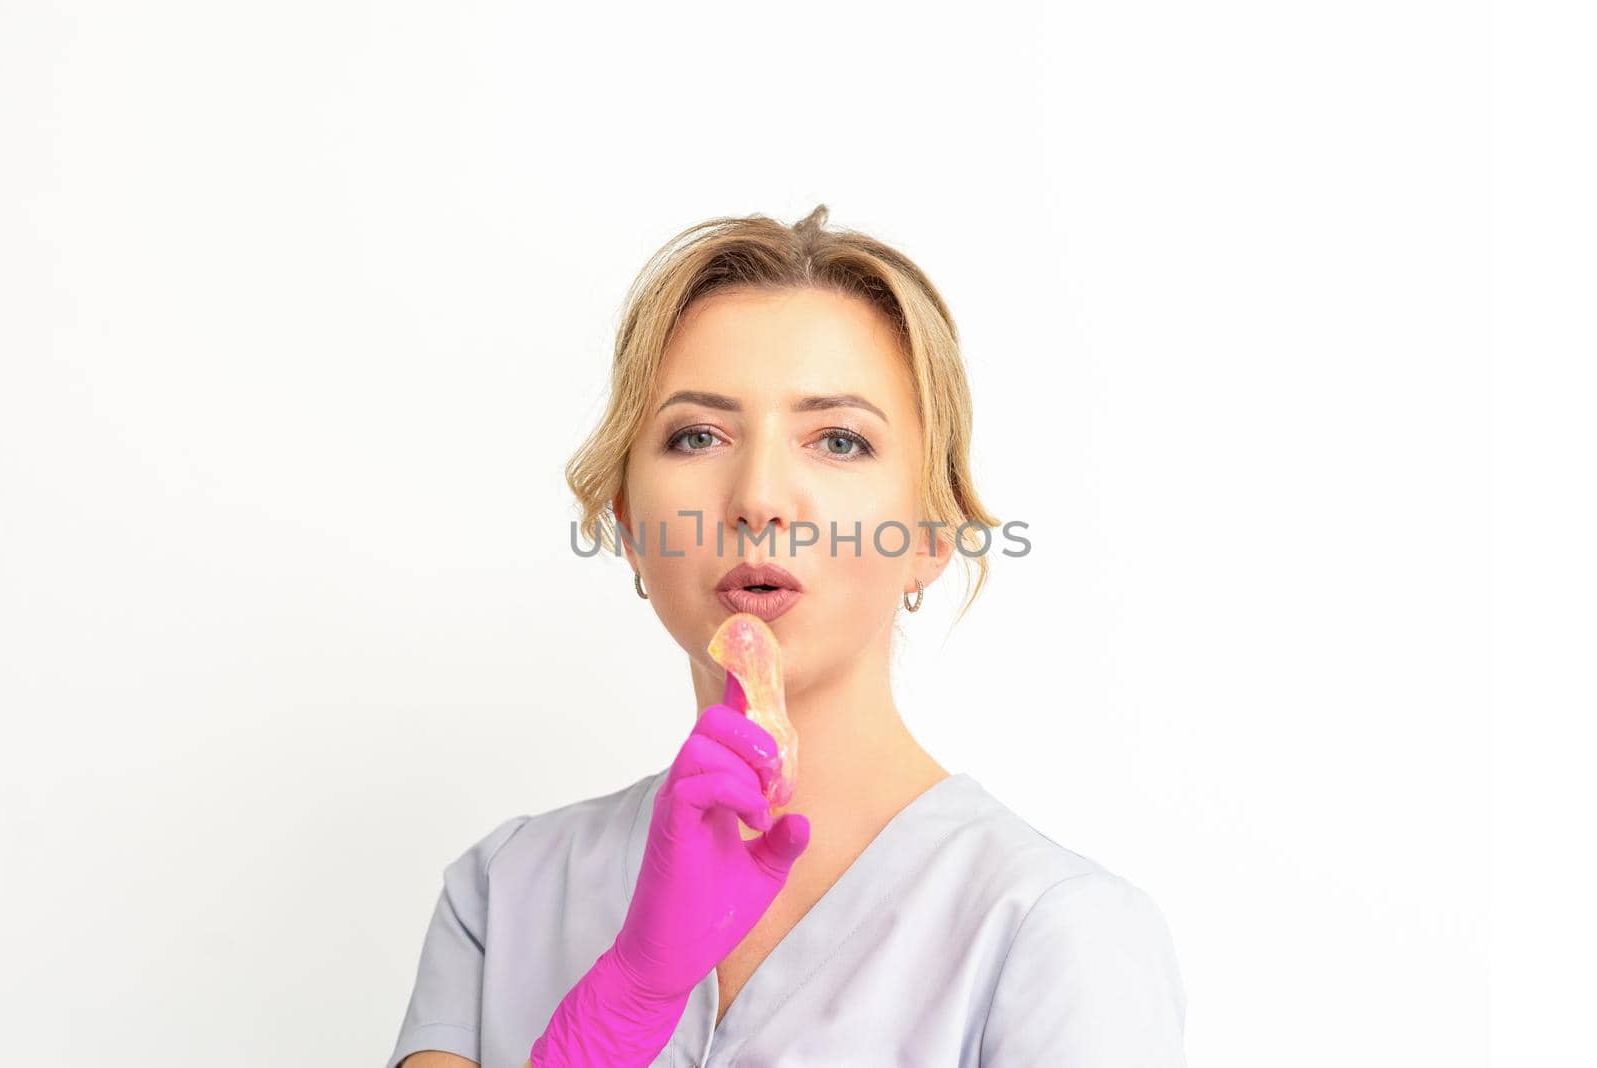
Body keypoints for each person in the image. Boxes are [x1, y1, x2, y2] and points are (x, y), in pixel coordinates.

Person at [384, 206, 1187, 1067]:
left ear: (930, 533)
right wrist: (626, 1002)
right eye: (697, 435)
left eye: (839, 440)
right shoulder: (504, 893)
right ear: (626, 523)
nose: (759, 495)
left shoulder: (1056, 931)